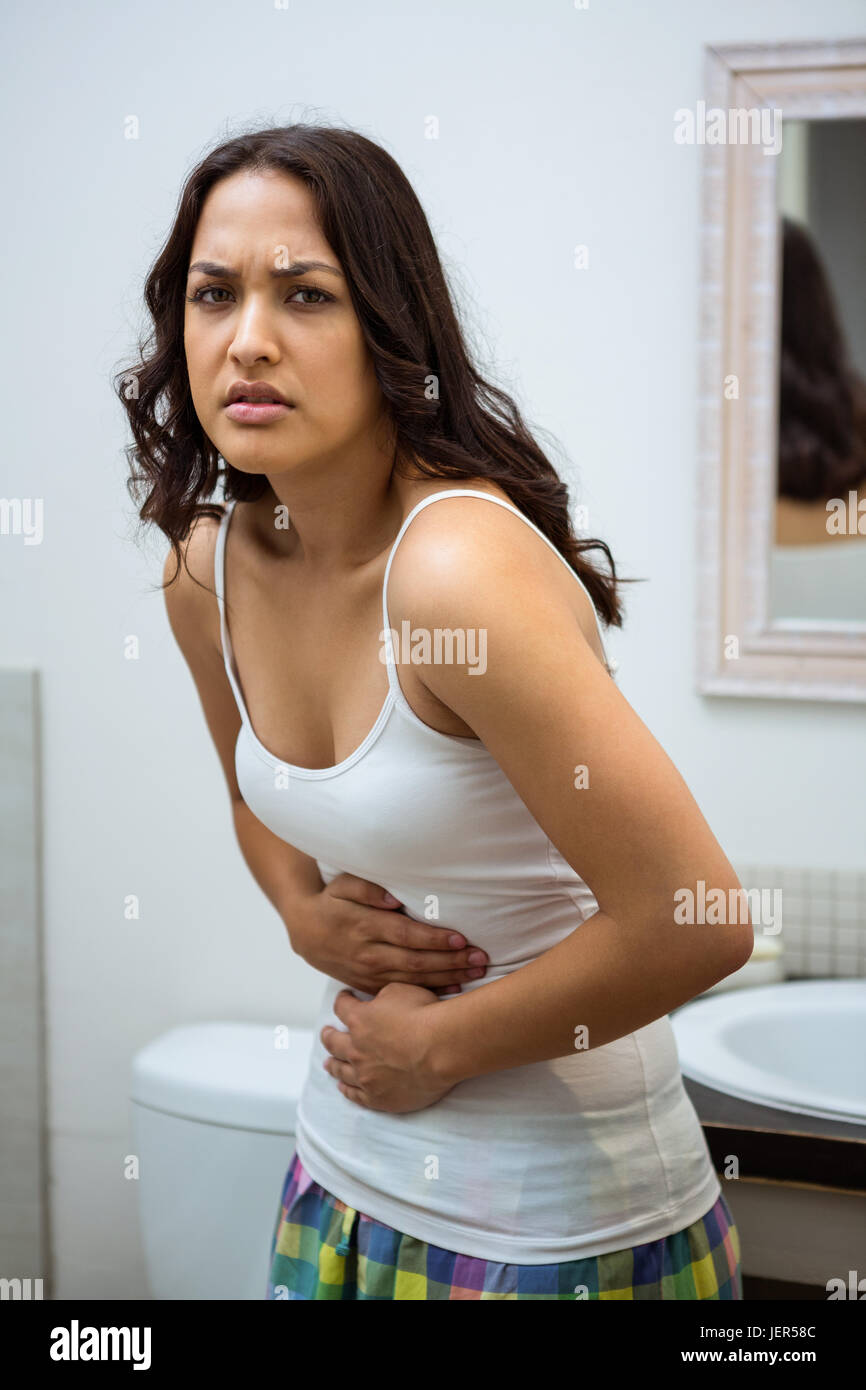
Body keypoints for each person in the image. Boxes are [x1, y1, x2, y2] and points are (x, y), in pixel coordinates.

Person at [116, 123, 751, 1300]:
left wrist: (437, 1046)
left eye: (303, 295)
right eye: (215, 295)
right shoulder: (202, 572)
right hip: (340, 1181)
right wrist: (302, 916)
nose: (247, 340)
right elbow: (259, 801)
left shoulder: (454, 572)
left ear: (385, 330)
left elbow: (698, 919)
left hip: (562, 1232)